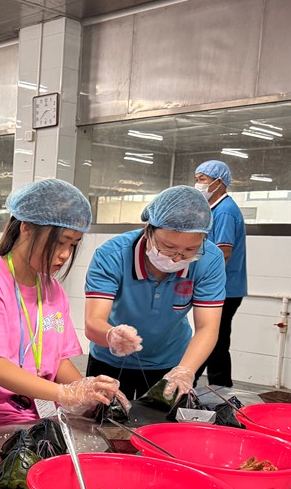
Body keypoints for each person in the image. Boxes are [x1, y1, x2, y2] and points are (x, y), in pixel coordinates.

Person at [0, 179, 123, 435]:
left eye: (73, 244)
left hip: (43, 417)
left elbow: (58, 359)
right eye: (61, 242)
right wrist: (62, 392)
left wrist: (88, 392)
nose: (65, 254)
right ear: (27, 228)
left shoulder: (52, 289)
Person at [83, 185, 227, 400]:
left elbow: (208, 327)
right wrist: (111, 335)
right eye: (168, 247)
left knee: (159, 420)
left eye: (190, 250)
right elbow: (93, 321)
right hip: (109, 360)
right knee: (103, 417)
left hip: (171, 362)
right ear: (148, 230)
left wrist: (185, 370)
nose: (177, 258)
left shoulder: (209, 259)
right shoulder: (112, 255)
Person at [193, 159, 247, 387]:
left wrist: (204, 280)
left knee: (214, 339)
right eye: (197, 179)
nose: (198, 184)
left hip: (225, 288)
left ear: (219, 182)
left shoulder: (225, 212)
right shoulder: (213, 209)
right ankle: (207, 384)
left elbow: (223, 253)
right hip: (221, 288)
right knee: (214, 339)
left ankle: (210, 385)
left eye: (202, 179)